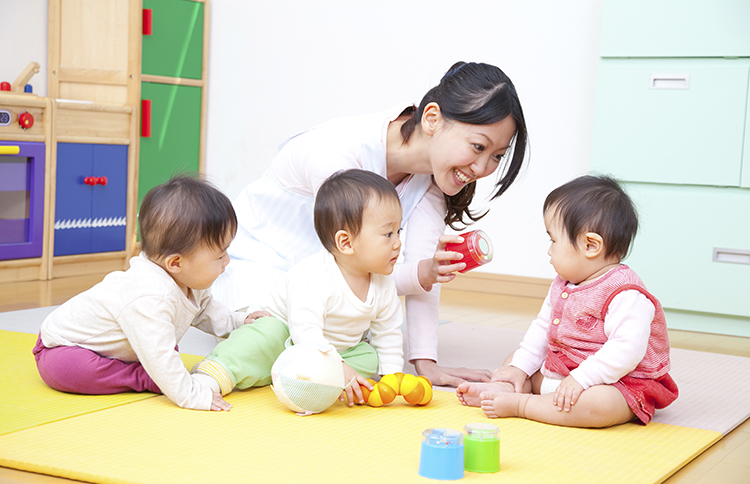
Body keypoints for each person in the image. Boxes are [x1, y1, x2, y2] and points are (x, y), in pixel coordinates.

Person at [211, 61, 528, 387]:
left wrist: (426, 362)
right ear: (432, 119)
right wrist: (422, 273)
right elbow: (351, 267)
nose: (482, 167)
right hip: (259, 274)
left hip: (323, 293)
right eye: (478, 146)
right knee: (276, 339)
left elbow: (415, 273)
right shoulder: (337, 156)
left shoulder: (431, 182)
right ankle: (215, 374)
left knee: (364, 357)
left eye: (497, 155)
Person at [456, 175, 678, 428]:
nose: (549, 250)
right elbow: (542, 328)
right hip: (562, 371)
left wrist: (582, 379)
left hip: (615, 381)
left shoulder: (626, 294)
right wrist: (518, 369)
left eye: (553, 240)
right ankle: (502, 388)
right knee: (515, 360)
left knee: (601, 405)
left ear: (590, 245)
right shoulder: (563, 283)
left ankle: (522, 404)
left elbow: (626, 351)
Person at [33, 175, 269, 411]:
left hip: (118, 350)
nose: (226, 261)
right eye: (220, 255)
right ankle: (143, 377)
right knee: (72, 369)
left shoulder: (186, 280)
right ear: (176, 263)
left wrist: (238, 322)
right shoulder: (150, 296)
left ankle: (150, 372)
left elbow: (206, 310)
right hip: (61, 349)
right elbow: (160, 354)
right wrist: (192, 395)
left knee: (164, 350)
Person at [192, 169, 404, 406]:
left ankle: (302, 376)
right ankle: (212, 375)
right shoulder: (313, 275)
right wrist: (335, 367)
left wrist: (393, 378)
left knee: (367, 357)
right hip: (285, 330)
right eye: (388, 234)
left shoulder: (384, 285)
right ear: (345, 242)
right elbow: (305, 331)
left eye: (399, 231)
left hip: (331, 349)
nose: (398, 243)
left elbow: (388, 332)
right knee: (263, 339)